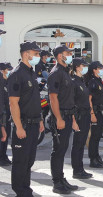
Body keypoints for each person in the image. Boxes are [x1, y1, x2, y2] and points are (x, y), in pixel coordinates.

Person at [7, 41, 45, 196]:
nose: (37, 56)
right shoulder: (17, 74)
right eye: (35, 54)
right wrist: (19, 127)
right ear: (26, 54)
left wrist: (40, 119)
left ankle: (26, 188)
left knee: (29, 160)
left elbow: (35, 100)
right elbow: (13, 103)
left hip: (34, 123)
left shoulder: (31, 72)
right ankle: (20, 191)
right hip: (23, 124)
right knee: (20, 161)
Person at [48, 45, 79, 194]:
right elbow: (53, 98)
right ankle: (57, 182)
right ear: (60, 56)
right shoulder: (56, 73)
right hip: (60, 117)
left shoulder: (65, 72)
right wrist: (59, 118)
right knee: (58, 150)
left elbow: (69, 98)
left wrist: (72, 119)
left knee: (63, 149)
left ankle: (61, 178)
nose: (70, 55)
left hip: (68, 115)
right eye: (68, 53)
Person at [70, 58, 93, 179]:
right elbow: (71, 102)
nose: (85, 68)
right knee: (78, 144)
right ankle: (77, 170)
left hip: (85, 115)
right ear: (77, 67)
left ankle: (80, 168)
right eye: (83, 66)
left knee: (81, 143)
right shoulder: (73, 82)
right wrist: (73, 120)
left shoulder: (81, 80)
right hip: (79, 116)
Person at [85, 61, 103, 168]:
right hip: (94, 112)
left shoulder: (98, 80)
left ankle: (97, 157)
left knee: (98, 136)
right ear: (94, 69)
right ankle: (92, 159)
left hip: (100, 111)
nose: (101, 70)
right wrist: (92, 114)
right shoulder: (92, 82)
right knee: (94, 137)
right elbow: (89, 99)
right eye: (99, 68)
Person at [0, 62, 13, 166]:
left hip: (7, 116)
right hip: (2, 116)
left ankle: (4, 156)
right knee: (2, 138)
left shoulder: (6, 83)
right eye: (7, 70)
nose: (8, 72)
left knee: (6, 138)